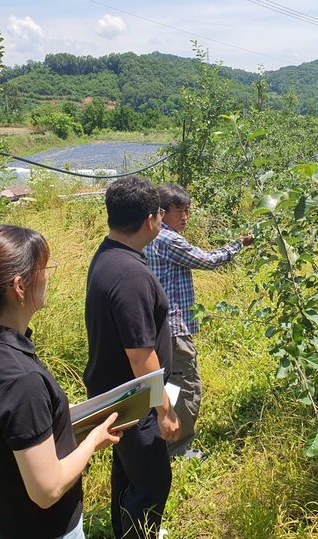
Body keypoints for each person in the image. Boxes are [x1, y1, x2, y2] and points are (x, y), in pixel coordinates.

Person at [0, 224, 122, 539]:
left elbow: (12, 426)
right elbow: (47, 490)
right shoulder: (19, 379)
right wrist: (95, 440)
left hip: (2, 519)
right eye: (44, 268)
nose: (47, 276)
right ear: (19, 286)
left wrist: (61, 417)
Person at [83, 175, 181, 539]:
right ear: (150, 221)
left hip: (116, 396)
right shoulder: (130, 275)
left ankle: (124, 531)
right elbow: (142, 357)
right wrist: (165, 412)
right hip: (134, 400)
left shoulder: (109, 256)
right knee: (153, 484)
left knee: (128, 475)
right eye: (159, 214)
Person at [144, 183, 254, 459]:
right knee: (186, 384)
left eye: (188, 211)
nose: (185, 217)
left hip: (156, 328)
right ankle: (178, 448)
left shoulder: (146, 237)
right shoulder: (169, 240)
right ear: (161, 212)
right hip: (174, 328)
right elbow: (207, 260)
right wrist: (238, 245)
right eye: (179, 211)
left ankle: (159, 440)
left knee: (164, 385)